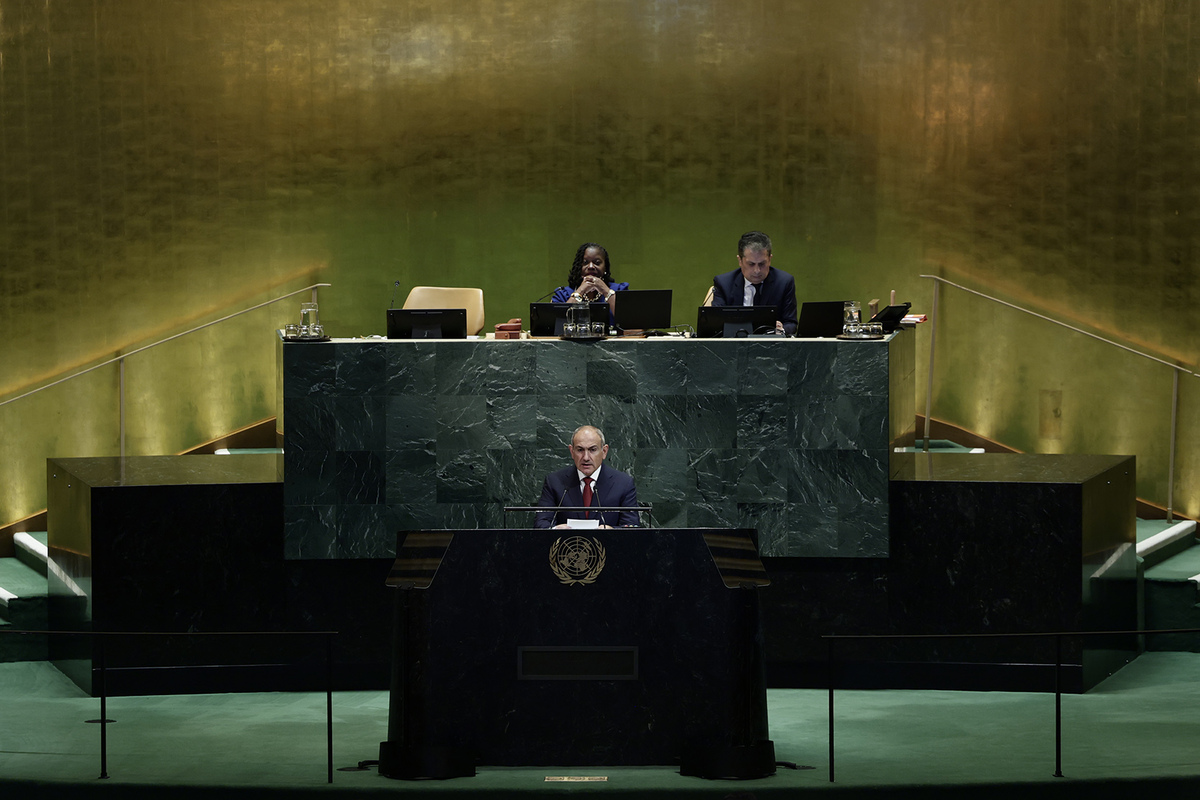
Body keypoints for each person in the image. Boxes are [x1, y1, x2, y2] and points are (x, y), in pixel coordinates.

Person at [534, 425, 640, 528]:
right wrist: (556, 529)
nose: (586, 457)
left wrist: (611, 531)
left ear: (604, 451)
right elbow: (541, 523)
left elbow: (631, 526)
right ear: (572, 451)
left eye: (592, 450)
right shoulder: (554, 482)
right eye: (580, 450)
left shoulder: (623, 483)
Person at [711, 231, 798, 335]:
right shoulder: (724, 284)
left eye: (762, 264)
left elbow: (791, 323)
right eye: (751, 264)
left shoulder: (784, 282)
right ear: (740, 261)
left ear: (770, 259)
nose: (757, 270)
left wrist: (781, 329)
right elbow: (715, 325)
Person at [551, 243, 629, 319]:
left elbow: (628, 320)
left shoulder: (619, 290)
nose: (591, 267)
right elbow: (559, 322)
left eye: (597, 263)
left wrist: (605, 290)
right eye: (585, 262)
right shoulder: (563, 295)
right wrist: (580, 291)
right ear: (579, 267)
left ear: (605, 267)